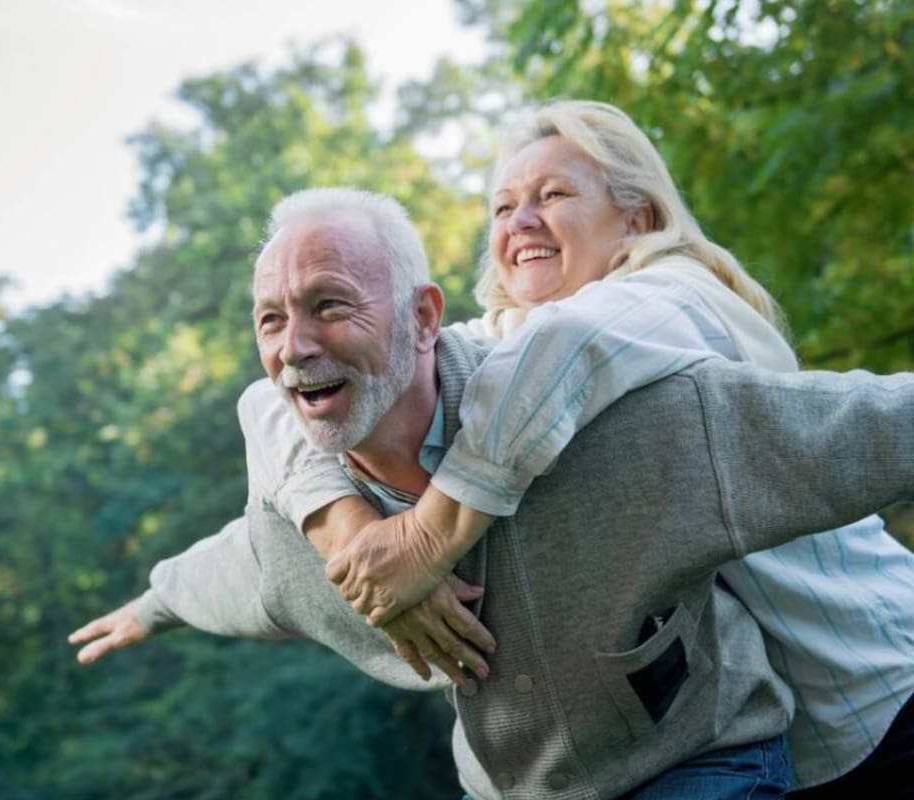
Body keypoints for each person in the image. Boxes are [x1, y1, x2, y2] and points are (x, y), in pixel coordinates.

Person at [69, 186, 914, 799]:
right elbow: (236, 569)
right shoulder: (304, 523)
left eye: (330, 306)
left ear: (425, 318)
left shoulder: (617, 426)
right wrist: (153, 602)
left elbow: (847, 428)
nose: (294, 347)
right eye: (270, 320)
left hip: (700, 764)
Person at [280, 101, 914, 795]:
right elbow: (278, 402)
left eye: (552, 196)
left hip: (876, 684)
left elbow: (570, 345)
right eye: (502, 207)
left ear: (637, 220)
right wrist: (349, 531)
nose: (520, 220)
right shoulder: (509, 345)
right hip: (781, 740)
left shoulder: (676, 296)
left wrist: (423, 544)